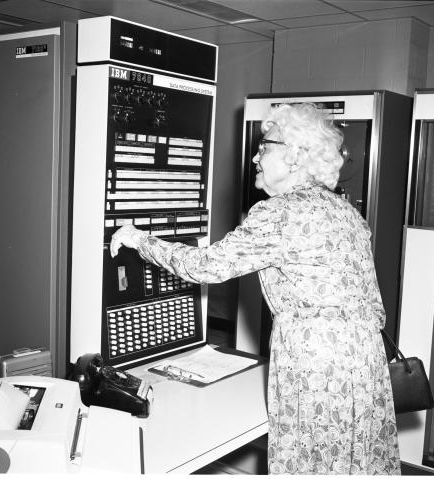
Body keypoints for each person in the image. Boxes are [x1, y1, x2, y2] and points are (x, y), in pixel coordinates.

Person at [110, 103, 401, 475]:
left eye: (265, 146)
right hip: (364, 362)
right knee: (355, 461)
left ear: (295, 156)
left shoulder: (278, 211)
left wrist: (139, 238)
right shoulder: (343, 210)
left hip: (315, 365)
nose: (254, 157)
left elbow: (206, 266)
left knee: (309, 464)